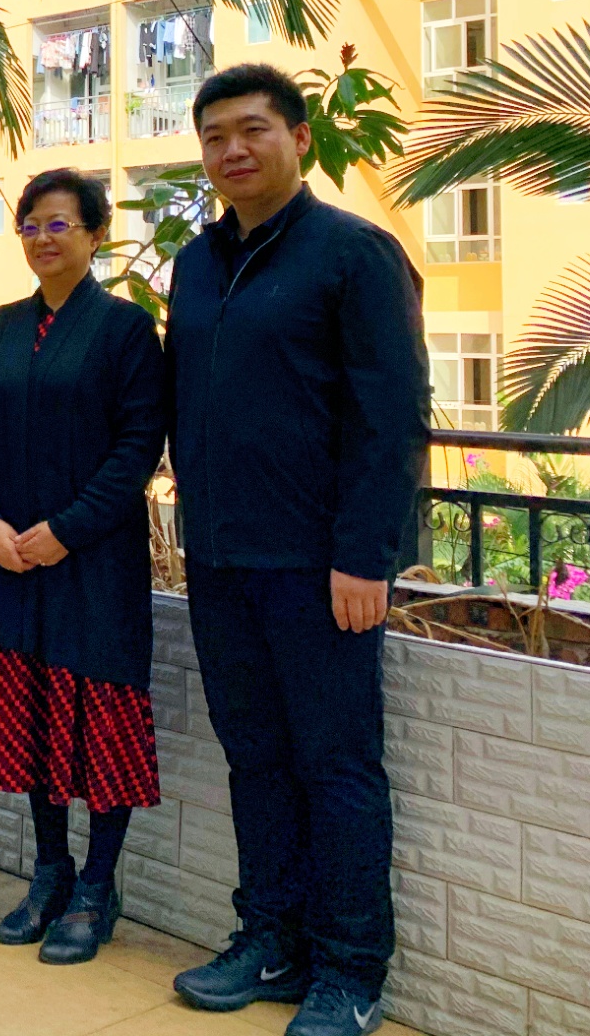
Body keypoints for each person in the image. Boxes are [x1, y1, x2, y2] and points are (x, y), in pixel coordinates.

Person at [166, 64, 428, 1036]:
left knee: (337, 767)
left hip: (320, 569)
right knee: (256, 760)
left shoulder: (355, 255)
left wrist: (364, 555)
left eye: (252, 130)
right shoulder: (196, 265)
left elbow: (391, 418)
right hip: (219, 558)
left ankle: (351, 971)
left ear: (300, 138)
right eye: (214, 137)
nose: (231, 150)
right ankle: (269, 938)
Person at [0, 169, 167, 964]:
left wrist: (67, 531)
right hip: (10, 558)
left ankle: (97, 888)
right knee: (33, 716)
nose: (43, 238)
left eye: (59, 224)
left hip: (95, 565)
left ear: (96, 234)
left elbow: (138, 446)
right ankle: (50, 873)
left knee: (100, 724)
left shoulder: (125, 329)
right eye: (31, 225)